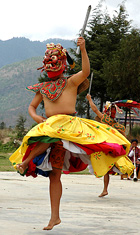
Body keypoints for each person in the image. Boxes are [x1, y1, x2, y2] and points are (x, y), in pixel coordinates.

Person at [10, 37, 134, 230]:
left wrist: (83, 49)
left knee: (53, 135)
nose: (50, 65)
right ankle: (54, 217)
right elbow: (32, 107)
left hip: (67, 127)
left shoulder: (71, 82)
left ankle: (26, 163)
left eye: (54, 61)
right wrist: (37, 118)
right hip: (51, 127)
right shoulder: (42, 88)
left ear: (62, 64)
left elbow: (86, 71)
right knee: (54, 176)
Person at [86, 94, 133, 197]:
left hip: (106, 147)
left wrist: (89, 99)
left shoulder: (105, 119)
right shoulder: (119, 126)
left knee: (104, 168)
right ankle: (105, 189)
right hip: (113, 149)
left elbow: (94, 109)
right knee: (106, 169)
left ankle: (105, 189)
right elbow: (125, 139)